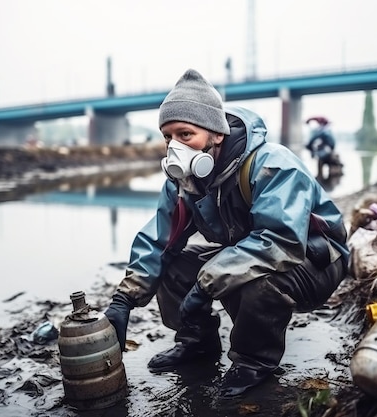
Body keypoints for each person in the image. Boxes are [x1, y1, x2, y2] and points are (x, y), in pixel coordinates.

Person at [104, 69, 349, 398]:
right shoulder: (184, 181)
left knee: (256, 279)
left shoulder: (272, 164)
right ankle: (197, 344)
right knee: (174, 263)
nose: (175, 146)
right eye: (168, 137)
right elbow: (159, 240)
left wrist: (207, 283)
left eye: (185, 134)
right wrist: (123, 299)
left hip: (315, 259)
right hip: (249, 250)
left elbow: (281, 241)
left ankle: (253, 361)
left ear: (216, 134)